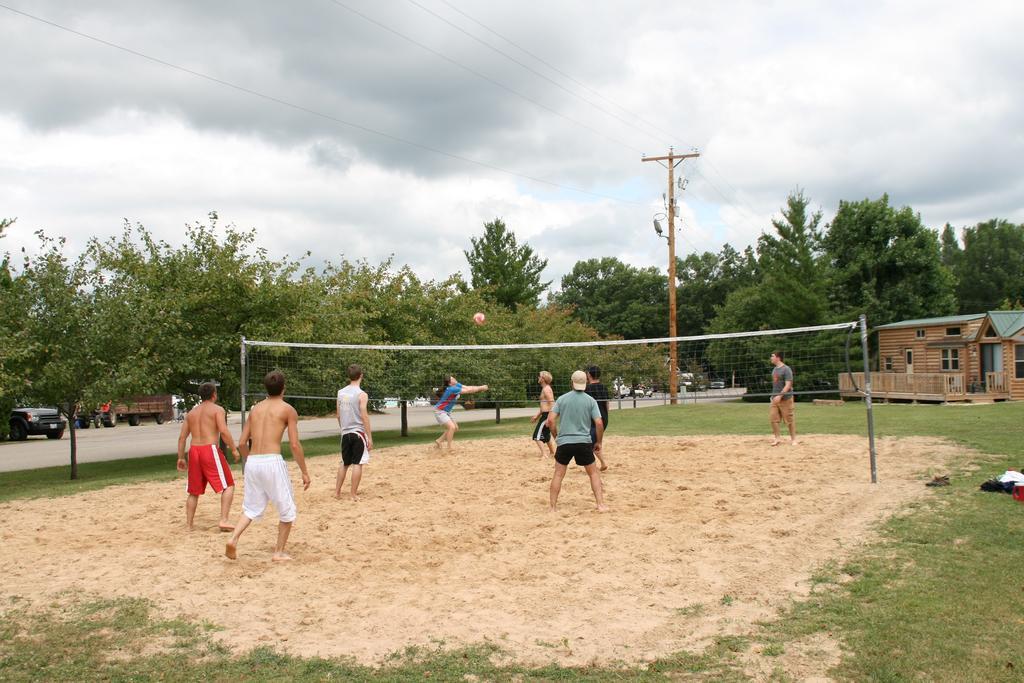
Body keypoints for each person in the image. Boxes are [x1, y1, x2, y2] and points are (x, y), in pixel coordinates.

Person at [225, 370, 311, 562]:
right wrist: (304, 472)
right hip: (272, 461)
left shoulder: (255, 409)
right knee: (287, 511)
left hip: (253, 462)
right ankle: (278, 552)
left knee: (251, 508)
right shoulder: (288, 409)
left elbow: (241, 443)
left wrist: (250, 462)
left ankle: (233, 538)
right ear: (284, 388)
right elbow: (295, 445)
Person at [176, 382, 240, 532]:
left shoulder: (191, 413)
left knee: (193, 491)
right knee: (228, 485)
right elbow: (223, 431)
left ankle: (189, 525)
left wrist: (181, 457)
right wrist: (234, 449)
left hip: (194, 450)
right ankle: (223, 520)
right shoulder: (217, 410)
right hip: (209, 449)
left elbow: (182, 438)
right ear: (214, 395)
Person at [546, 370, 608, 512]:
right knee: (593, 473)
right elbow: (599, 423)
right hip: (583, 442)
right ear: (585, 383)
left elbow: (550, 420)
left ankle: (552, 507)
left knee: (558, 474)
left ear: (571, 382)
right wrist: (599, 442)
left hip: (565, 443)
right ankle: (600, 505)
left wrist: (556, 437)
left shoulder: (561, 399)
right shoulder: (590, 400)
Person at [336, 363, 373, 501]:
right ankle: (353, 494)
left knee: (344, 463)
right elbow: (364, 416)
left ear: (349, 376)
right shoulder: (361, 394)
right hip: (358, 433)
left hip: (345, 432)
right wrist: (369, 437)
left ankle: (337, 493)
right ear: (361, 376)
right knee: (357, 463)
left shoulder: (340, 393)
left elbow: (338, 415)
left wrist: (343, 429)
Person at [432, 375, 489, 450]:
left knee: (455, 428)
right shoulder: (452, 389)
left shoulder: (456, 385)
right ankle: (449, 448)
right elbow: (469, 391)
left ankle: (439, 441)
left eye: (453, 377)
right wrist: (481, 388)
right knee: (451, 427)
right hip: (440, 411)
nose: (454, 378)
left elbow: (468, 387)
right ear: (450, 383)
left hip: (446, 411)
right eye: (452, 379)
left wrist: (480, 387)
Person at [584, 365, 610, 471]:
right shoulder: (604, 387)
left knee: (588, 445)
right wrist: (605, 416)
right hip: (603, 418)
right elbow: (607, 404)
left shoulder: (587, 389)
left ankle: (595, 466)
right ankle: (602, 464)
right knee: (594, 443)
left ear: (589, 375)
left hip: (594, 420)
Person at [770, 351, 797, 446]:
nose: (771, 358)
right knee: (773, 419)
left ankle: (793, 439)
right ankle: (777, 438)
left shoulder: (786, 369)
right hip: (775, 399)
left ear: (778, 358)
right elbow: (775, 385)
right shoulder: (774, 370)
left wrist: (780, 396)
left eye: (772, 356)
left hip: (786, 398)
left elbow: (788, 385)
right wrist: (773, 396)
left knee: (789, 420)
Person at [530, 370, 556, 458]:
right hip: (545, 414)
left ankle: (544, 454)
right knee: (545, 434)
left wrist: (549, 418)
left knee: (536, 436)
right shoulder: (545, 388)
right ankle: (552, 452)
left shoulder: (546, 389)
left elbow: (552, 403)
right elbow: (544, 405)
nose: (538, 377)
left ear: (543, 378)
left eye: (539, 376)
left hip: (547, 415)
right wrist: (537, 416)